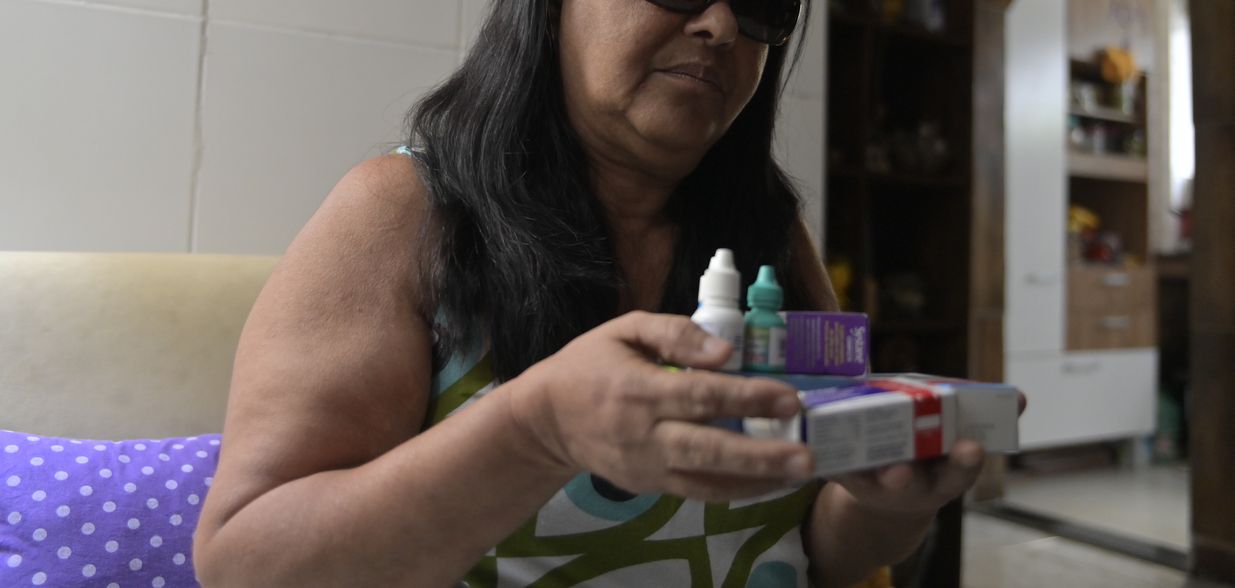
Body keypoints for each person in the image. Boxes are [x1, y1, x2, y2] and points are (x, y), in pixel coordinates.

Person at [193, 1, 991, 586]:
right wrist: (535, 430)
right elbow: (246, 565)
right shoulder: (404, 212)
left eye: (762, 5)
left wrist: (888, 504)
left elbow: (818, 554)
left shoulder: (771, 239)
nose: (722, 25)